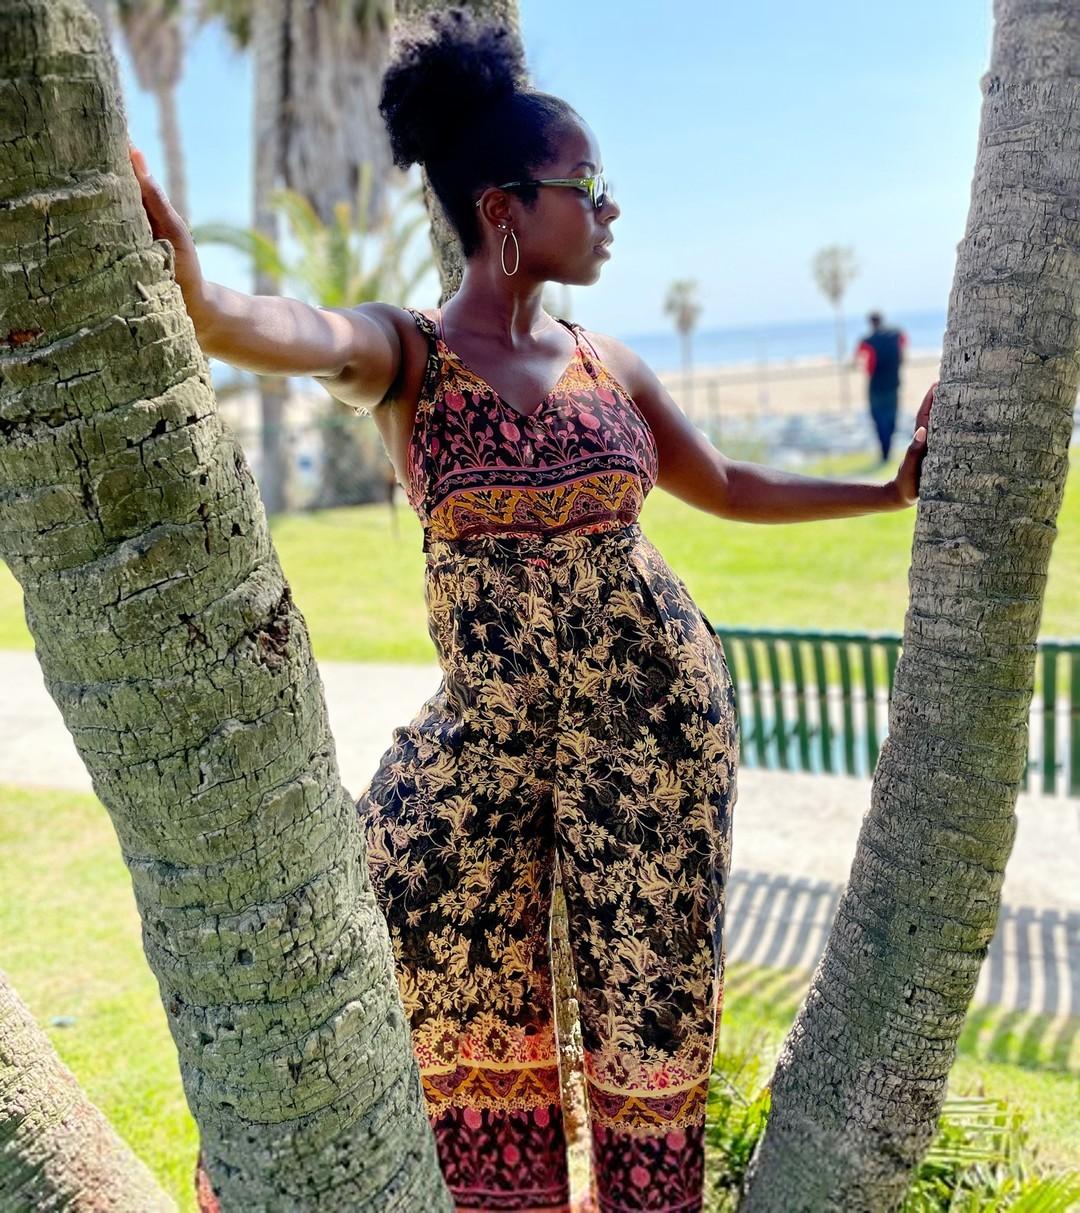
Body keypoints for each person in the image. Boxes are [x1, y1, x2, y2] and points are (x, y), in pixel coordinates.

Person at [132, 11, 934, 1212]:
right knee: (396, 919)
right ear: (504, 208)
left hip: (656, 748)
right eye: (588, 187)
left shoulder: (611, 363)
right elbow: (299, 331)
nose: (611, 210)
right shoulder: (407, 356)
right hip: (488, 749)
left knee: (648, 1016)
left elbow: (730, 483)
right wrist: (201, 302)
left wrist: (886, 491)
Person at [856, 311, 909, 462]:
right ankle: (888, 449)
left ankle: (884, 452)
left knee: (878, 418)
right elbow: (903, 355)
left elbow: (859, 359)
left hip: (876, 385)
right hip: (893, 383)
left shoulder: (867, 340)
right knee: (891, 417)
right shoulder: (897, 334)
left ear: (871, 323)